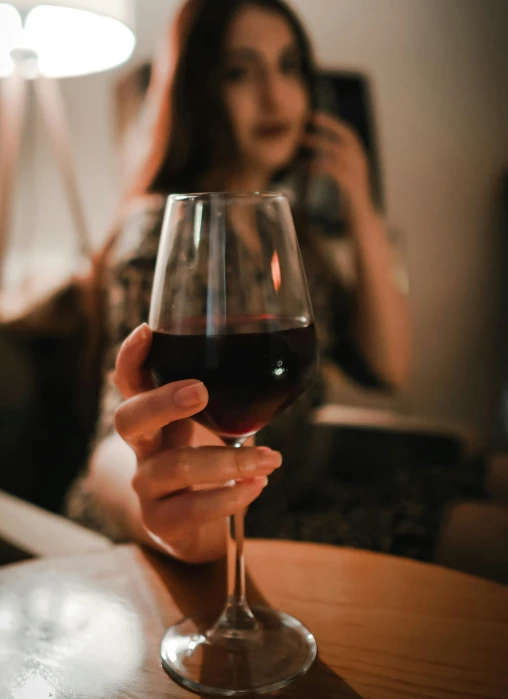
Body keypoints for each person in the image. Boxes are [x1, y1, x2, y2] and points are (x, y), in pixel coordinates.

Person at [66, 0, 415, 563]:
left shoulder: (291, 231)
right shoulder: (164, 235)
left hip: (285, 504)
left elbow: (389, 368)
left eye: (289, 67)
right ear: (197, 90)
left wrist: (361, 206)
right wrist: (162, 512)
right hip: (176, 545)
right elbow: (120, 435)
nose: (276, 98)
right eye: (238, 72)